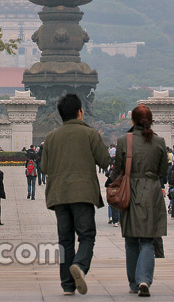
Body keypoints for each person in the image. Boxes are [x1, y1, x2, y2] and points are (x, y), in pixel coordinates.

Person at [41, 94, 109, 296]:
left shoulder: (51, 137)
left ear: (60, 114)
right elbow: (105, 161)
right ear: (80, 111)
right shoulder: (90, 134)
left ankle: (67, 285)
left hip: (59, 194)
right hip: (83, 193)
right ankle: (80, 265)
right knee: (87, 235)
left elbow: (44, 167)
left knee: (65, 239)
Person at [110, 104, 168, 298]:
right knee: (147, 241)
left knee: (131, 241)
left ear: (132, 121)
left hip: (130, 192)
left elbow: (118, 170)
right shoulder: (159, 142)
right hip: (151, 192)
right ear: (151, 121)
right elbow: (162, 172)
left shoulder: (123, 141)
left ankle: (134, 283)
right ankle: (144, 279)